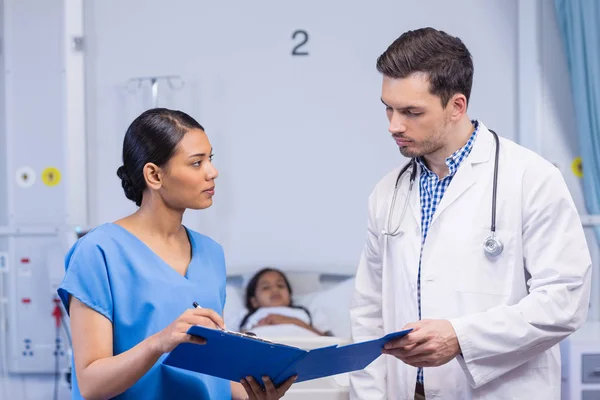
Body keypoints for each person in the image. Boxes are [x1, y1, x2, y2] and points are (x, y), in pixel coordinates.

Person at [349, 27, 592, 400]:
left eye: (412, 112)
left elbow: (565, 300)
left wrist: (461, 338)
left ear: (456, 106)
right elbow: (368, 311)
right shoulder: (388, 192)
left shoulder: (531, 178)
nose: (394, 125)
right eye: (389, 108)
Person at [57, 108, 295, 400]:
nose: (212, 171)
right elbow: (91, 383)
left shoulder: (211, 254)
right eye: (197, 163)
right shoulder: (99, 252)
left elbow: (210, 372)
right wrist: (160, 342)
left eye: (210, 159)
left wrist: (253, 393)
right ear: (154, 175)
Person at [239, 268, 333, 336]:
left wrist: (291, 321)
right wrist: (258, 327)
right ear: (254, 301)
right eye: (266, 287)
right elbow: (237, 343)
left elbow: (327, 340)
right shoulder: (252, 317)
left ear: (289, 295)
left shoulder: (301, 313)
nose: (275, 290)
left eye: (280, 285)